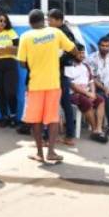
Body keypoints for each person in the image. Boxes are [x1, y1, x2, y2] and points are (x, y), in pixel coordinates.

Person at [17, 10, 77, 163]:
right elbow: (73, 49)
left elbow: (22, 64)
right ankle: (51, 152)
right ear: (44, 20)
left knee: (35, 120)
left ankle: (39, 153)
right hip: (53, 84)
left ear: (30, 23)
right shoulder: (55, 33)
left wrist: (34, 62)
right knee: (52, 119)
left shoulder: (25, 37)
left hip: (35, 85)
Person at [47, 9, 78, 145]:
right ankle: (63, 135)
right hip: (56, 71)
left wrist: (57, 59)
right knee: (61, 104)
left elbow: (73, 52)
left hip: (60, 72)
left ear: (59, 20)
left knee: (63, 104)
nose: (48, 22)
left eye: (51, 20)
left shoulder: (64, 32)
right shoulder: (55, 32)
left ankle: (67, 136)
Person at [65, 45, 108, 143]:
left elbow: (91, 81)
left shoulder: (86, 66)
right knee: (86, 101)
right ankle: (94, 130)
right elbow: (72, 85)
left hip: (87, 92)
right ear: (73, 54)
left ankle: (98, 128)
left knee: (101, 100)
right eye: (79, 52)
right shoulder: (68, 66)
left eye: (83, 52)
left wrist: (92, 92)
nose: (82, 55)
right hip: (73, 94)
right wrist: (88, 94)